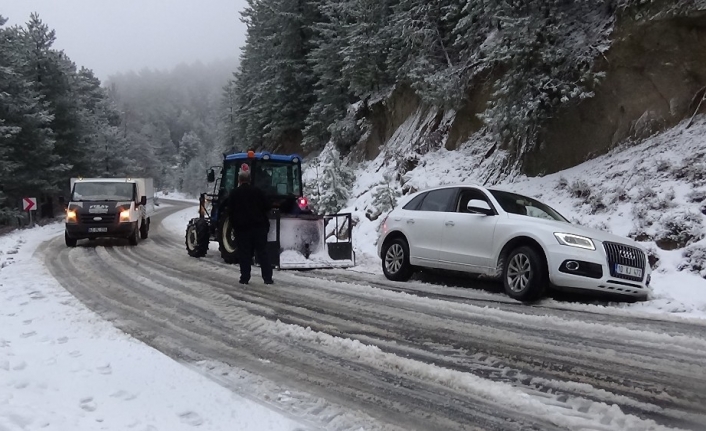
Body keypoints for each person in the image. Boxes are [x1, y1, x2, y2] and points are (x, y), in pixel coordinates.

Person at [227, 169, 274, 285]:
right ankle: (267, 278)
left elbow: (230, 212)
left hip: (242, 229)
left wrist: (235, 225)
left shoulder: (234, 193)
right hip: (259, 228)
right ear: (250, 180)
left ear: (239, 180)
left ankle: (245, 278)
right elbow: (268, 206)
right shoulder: (258, 192)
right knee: (262, 252)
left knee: (244, 254)